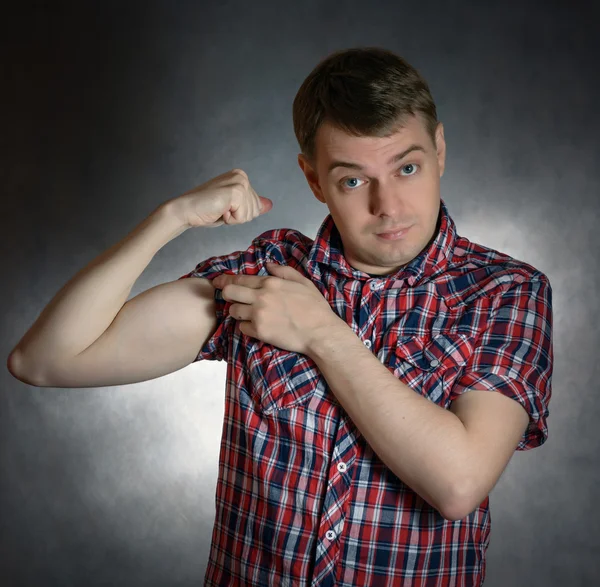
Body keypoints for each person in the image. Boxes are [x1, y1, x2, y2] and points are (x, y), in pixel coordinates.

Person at [8, 47, 553, 586]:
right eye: (353, 180)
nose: (388, 205)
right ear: (315, 181)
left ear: (439, 150)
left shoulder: (506, 292)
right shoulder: (262, 276)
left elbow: (458, 482)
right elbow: (45, 359)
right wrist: (169, 219)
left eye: (407, 167)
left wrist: (320, 333)